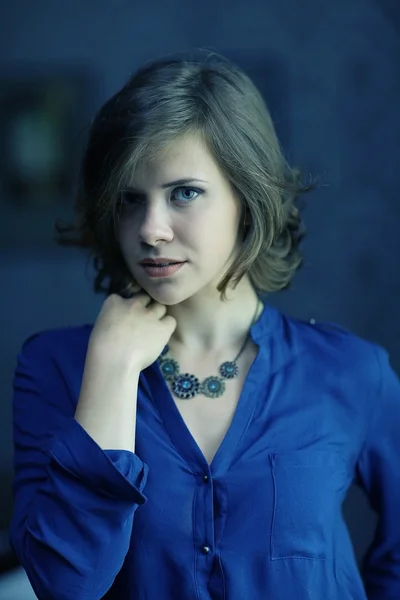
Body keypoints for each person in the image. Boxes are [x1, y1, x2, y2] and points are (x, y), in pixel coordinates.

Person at [9, 50, 400, 600]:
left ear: (246, 197)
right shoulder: (54, 368)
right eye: (129, 200)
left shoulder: (351, 371)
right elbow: (66, 585)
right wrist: (111, 372)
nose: (151, 230)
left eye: (184, 193)